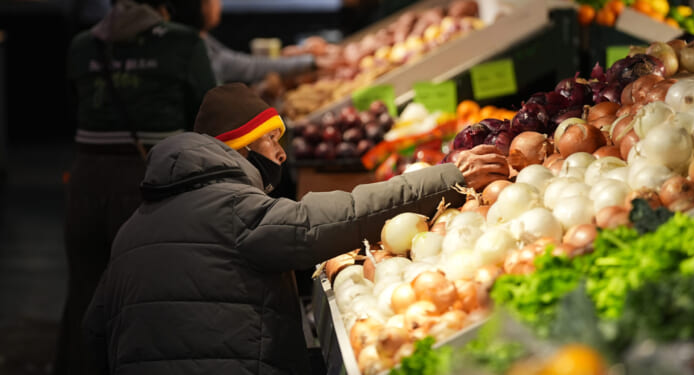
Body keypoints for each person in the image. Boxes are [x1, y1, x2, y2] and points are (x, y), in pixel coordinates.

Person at [82, 82, 508, 374]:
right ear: (240, 147)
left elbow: (93, 334)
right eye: (272, 140)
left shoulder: (131, 229)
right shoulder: (232, 209)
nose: (281, 155)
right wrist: (446, 179)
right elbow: (332, 219)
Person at [57, 0, 216, 373]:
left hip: (85, 185)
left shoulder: (82, 46)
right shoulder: (183, 43)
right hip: (149, 186)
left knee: (85, 293)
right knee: (149, 301)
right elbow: (207, 116)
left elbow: (74, 108)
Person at [171, 0, 338, 85]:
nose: (219, 3)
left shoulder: (200, 38)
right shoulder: (194, 47)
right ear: (198, 7)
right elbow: (246, 67)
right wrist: (311, 62)